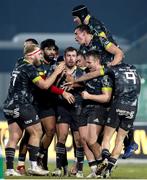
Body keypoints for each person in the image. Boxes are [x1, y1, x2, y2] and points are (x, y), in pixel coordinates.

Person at [69, 50, 141, 178]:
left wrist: (76, 81)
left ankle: (105, 160)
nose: (108, 62)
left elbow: (97, 76)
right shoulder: (133, 68)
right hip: (133, 106)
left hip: (117, 105)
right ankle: (108, 168)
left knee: (106, 139)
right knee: (119, 141)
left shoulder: (111, 70)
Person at [3, 44, 65, 176]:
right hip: (22, 104)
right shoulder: (29, 67)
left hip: (9, 105)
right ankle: (34, 166)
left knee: (14, 136)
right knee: (37, 132)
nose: (41, 57)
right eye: (39, 54)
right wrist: (57, 71)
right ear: (32, 55)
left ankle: (9, 169)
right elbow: (44, 85)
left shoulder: (19, 64)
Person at [52, 47, 85, 178]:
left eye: (73, 55)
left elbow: (86, 85)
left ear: (77, 57)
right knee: (62, 137)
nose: (71, 58)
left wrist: (74, 84)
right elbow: (50, 86)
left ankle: (79, 169)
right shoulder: (58, 71)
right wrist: (63, 92)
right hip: (62, 107)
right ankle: (58, 168)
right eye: (68, 56)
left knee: (78, 140)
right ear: (64, 57)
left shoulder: (82, 72)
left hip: (78, 108)